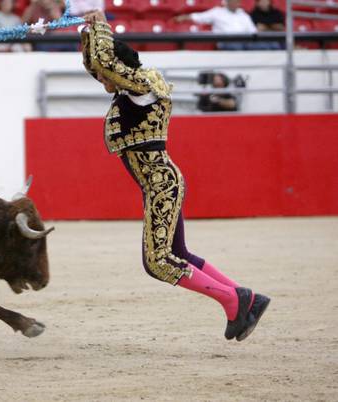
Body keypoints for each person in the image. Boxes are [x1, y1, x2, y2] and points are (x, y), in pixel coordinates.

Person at [80, 10, 270, 341]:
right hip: (160, 183)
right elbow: (100, 64)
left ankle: (232, 300)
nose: (102, 81)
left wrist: (101, 26)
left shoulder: (142, 87)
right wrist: (87, 33)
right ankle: (246, 299)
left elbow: (107, 63)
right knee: (178, 254)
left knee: (158, 262)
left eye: (105, 76)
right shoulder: (131, 93)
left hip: (160, 184)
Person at [174, 0, 278, 50]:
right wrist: (183, 17)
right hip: (226, 41)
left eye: (237, 1)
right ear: (227, 2)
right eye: (233, 1)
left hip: (245, 41)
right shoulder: (217, 12)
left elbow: (253, 31)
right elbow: (199, 17)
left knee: (271, 45)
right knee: (237, 46)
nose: (235, 3)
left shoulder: (243, 15)